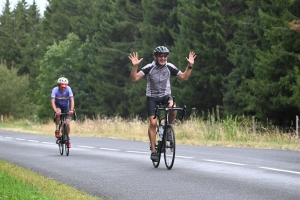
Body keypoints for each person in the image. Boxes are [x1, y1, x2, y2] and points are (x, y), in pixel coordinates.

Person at [128, 46, 196, 161]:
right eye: (160, 56)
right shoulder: (150, 67)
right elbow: (134, 79)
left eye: (165, 56)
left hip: (166, 96)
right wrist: (135, 67)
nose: (163, 58)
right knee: (153, 123)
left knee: (173, 108)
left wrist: (190, 66)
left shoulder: (169, 67)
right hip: (152, 98)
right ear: (155, 57)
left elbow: (184, 77)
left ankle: (168, 129)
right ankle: (154, 150)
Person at [51, 77, 75, 148]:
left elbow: (72, 100)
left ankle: (67, 140)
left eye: (64, 87)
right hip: (58, 105)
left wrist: (71, 110)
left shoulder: (68, 89)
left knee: (67, 123)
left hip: (66, 106)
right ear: (59, 85)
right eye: (62, 87)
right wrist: (55, 110)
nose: (63, 88)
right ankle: (57, 129)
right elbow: (52, 101)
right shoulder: (55, 90)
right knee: (58, 112)